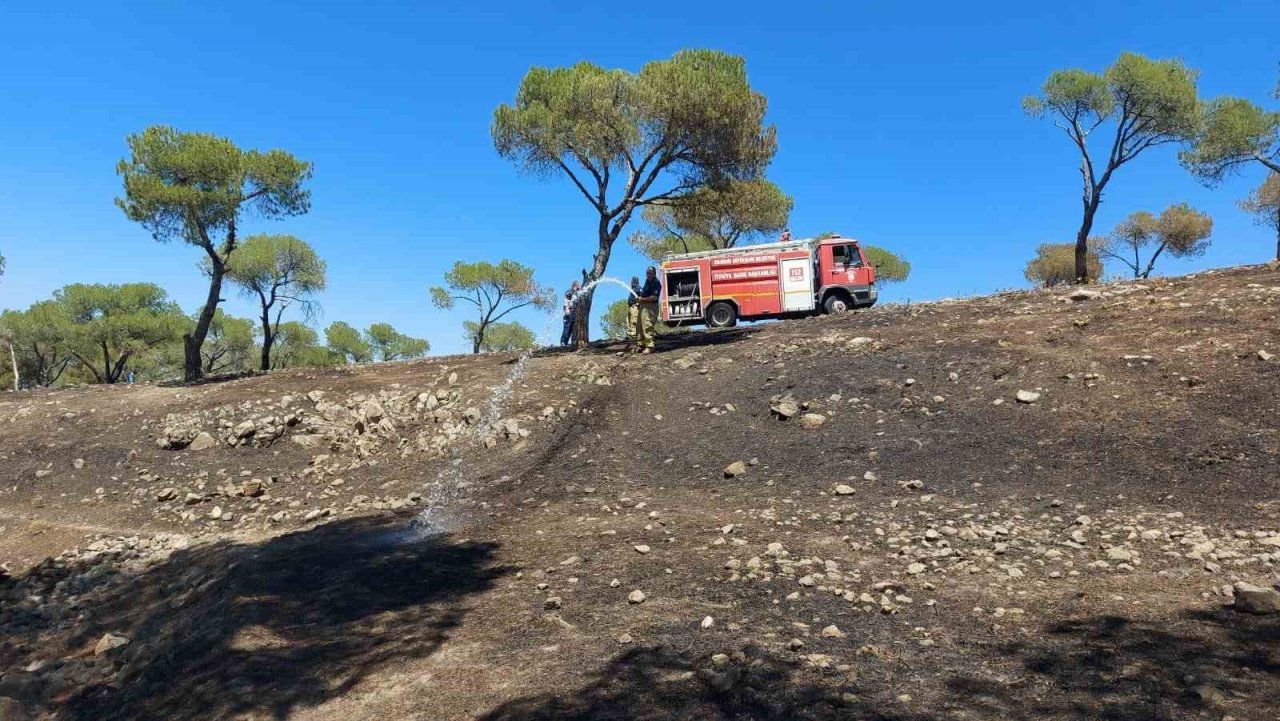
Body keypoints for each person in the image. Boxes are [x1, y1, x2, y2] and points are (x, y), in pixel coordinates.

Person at [635, 266, 662, 354]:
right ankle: (641, 345)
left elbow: (654, 297)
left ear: (654, 273)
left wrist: (642, 299)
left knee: (647, 325)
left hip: (651, 307)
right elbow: (644, 292)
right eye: (647, 273)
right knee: (639, 326)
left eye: (650, 273)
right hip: (643, 306)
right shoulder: (647, 281)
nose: (648, 275)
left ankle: (650, 346)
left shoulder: (656, 283)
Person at [625, 276, 641, 347]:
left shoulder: (638, 288)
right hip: (631, 307)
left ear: (634, 282)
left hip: (635, 307)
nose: (631, 283)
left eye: (632, 281)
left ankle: (636, 342)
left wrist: (638, 302)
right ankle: (632, 338)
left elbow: (642, 294)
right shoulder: (633, 289)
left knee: (634, 322)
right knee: (629, 322)